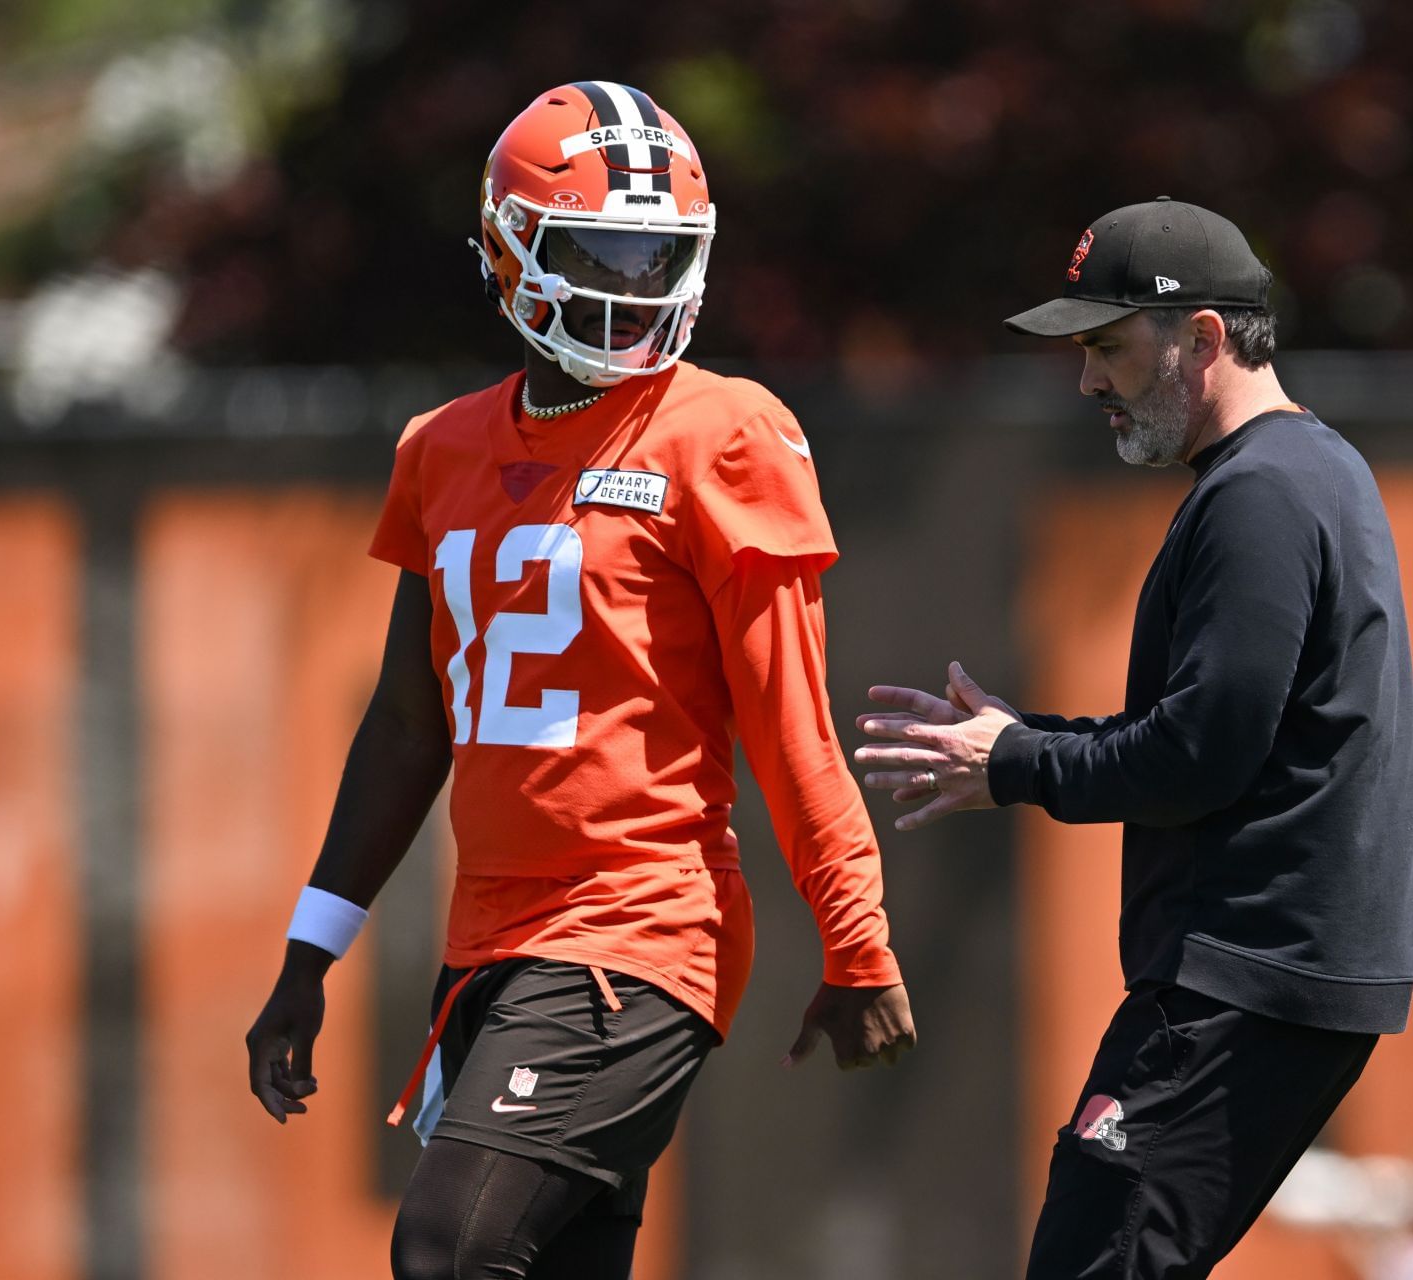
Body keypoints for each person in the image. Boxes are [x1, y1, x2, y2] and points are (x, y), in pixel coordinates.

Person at [242, 81, 915, 1280]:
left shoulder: (725, 430)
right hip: (490, 938)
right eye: (601, 249)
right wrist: (311, 950)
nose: (630, 285)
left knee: (449, 1250)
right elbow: (409, 724)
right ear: (508, 248)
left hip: (642, 927)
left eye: (659, 256)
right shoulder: (440, 446)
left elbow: (791, 727)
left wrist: (857, 941)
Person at [854, 197, 1413, 1277]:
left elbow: (1201, 753)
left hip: (1239, 978)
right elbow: (1215, 728)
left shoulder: (1260, 491)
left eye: (1108, 346)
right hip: (1263, 975)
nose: (1089, 381)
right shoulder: (1302, 472)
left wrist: (1017, 763)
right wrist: (1026, 738)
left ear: (1202, 337)